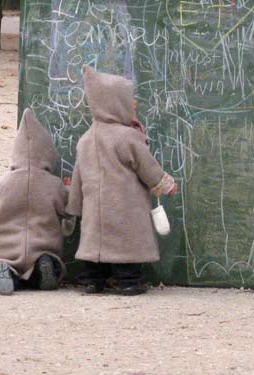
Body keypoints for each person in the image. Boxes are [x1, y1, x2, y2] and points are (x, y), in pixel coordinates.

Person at [66, 65, 177, 296]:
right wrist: (165, 184)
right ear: (117, 104)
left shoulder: (85, 139)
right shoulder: (127, 137)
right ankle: (129, 281)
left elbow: (78, 175)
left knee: (94, 249)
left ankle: (93, 280)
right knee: (127, 249)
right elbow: (146, 166)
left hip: (94, 211)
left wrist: (74, 206)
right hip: (125, 207)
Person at [0, 108, 68, 295]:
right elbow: (66, 207)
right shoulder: (54, 185)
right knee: (52, 264)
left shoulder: (2, 183)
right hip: (43, 245)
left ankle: (1, 272)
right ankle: (43, 265)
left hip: (7, 249)